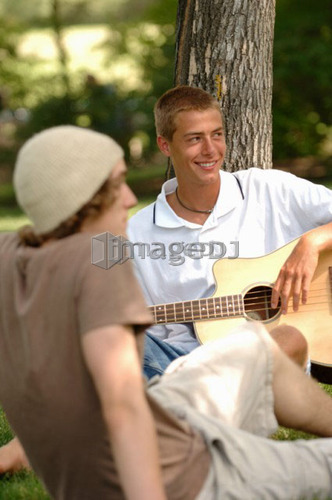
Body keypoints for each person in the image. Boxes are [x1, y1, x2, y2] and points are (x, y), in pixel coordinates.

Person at [1, 126, 332, 499]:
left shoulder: (12, 255)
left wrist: (312, 240)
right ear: (82, 199)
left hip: (173, 397)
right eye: (116, 186)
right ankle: (17, 453)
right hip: (196, 464)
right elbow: (123, 407)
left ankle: (18, 452)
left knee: (282, 340)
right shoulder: (100, 272)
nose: (129, 198)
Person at [127, 85, 332, 379]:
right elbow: (152, 333)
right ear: (165, 145)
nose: (210, 150)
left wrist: (312, 243)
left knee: (282, 342)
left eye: (217, 134)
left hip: (280, 350)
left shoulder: (267, 189)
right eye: (195, 139)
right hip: (190, 362)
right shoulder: (138, 233)